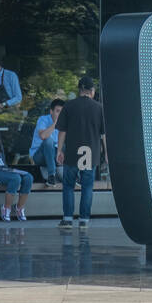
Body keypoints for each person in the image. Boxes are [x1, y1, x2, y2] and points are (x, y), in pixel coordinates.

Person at [56, 76, 105, 231]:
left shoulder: (69, 106)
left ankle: (68, 219)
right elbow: (103, 134)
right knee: (87, 187)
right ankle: (84, 220)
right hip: (91, 153)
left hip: (72, 152)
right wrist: (107, 154)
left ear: (79, 90)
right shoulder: (99, 108)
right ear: (92, 91)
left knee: (68, 186)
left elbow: (62, 131)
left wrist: (59, 150)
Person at [0, 116, 33, 221]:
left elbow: (2, 162)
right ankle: (6, 208)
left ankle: (19, 207)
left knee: (28, 177)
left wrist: (7, 170)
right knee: (15, 178)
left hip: (3, 169)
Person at [31, 100, 63, 185]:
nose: (60, 114)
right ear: (51, 111)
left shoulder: (65, 123)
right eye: (57, 111)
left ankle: (76, 175)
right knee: (48, 140)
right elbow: (43, 136)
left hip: (54, 156)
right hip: (39, 156)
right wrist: (55, 124)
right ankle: (51, 175)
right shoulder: (43, 119)